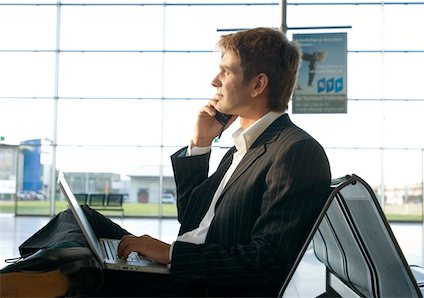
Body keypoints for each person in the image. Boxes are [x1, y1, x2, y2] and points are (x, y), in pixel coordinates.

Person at [2, 27, 331, 297]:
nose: (214, 82)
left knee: (85, 266)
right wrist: (201, 144)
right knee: (78, 220)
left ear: (258, 84)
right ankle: (35, 274)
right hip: (182, 270)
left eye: (226, 71)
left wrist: (170, 254)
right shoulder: (243, 146)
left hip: (193, 284)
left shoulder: (294, 151)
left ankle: (46, 280)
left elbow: (266, 262)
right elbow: (192, 221)